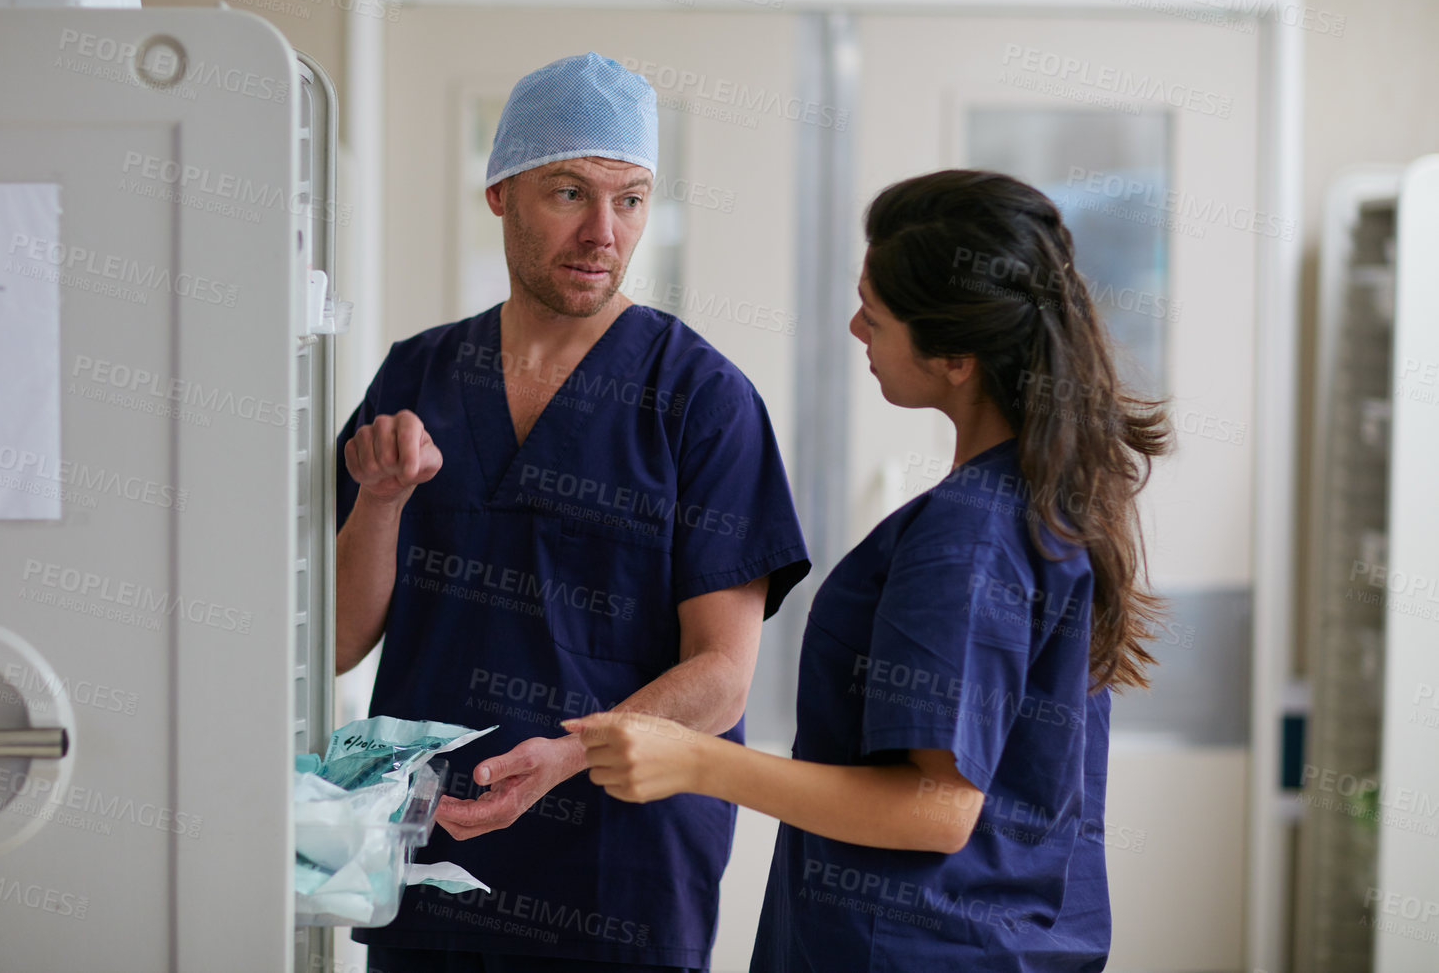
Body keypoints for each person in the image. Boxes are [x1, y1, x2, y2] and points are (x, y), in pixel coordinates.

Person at [570, 170, 1170, 972]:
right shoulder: (1042, 503)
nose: (856, 328)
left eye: (876, 314)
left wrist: (696, 761)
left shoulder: (965, 539)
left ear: (956, 354)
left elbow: (940, 810)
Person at [335, 52, 811, 973]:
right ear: (501, 194)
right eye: (568, 193)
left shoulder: (701, 400)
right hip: (440, 846)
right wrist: (383, 501)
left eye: (630, 199)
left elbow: (722, 677)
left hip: (621, 868)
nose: (604, 231)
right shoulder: (418, 377)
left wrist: (564, 755)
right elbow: (346, 640)